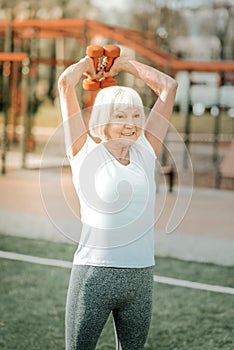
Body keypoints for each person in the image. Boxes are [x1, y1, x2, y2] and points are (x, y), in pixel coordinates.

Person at [58, 50, 178, 350]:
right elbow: (64, 83)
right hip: (94, 276)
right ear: (102, 120)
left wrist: (123, 65)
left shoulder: (145, 152)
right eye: (120, 116)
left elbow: (169, 87)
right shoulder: (85, 152)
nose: (131, 123)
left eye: (136, 115)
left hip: (140, 278)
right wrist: (90, 68)